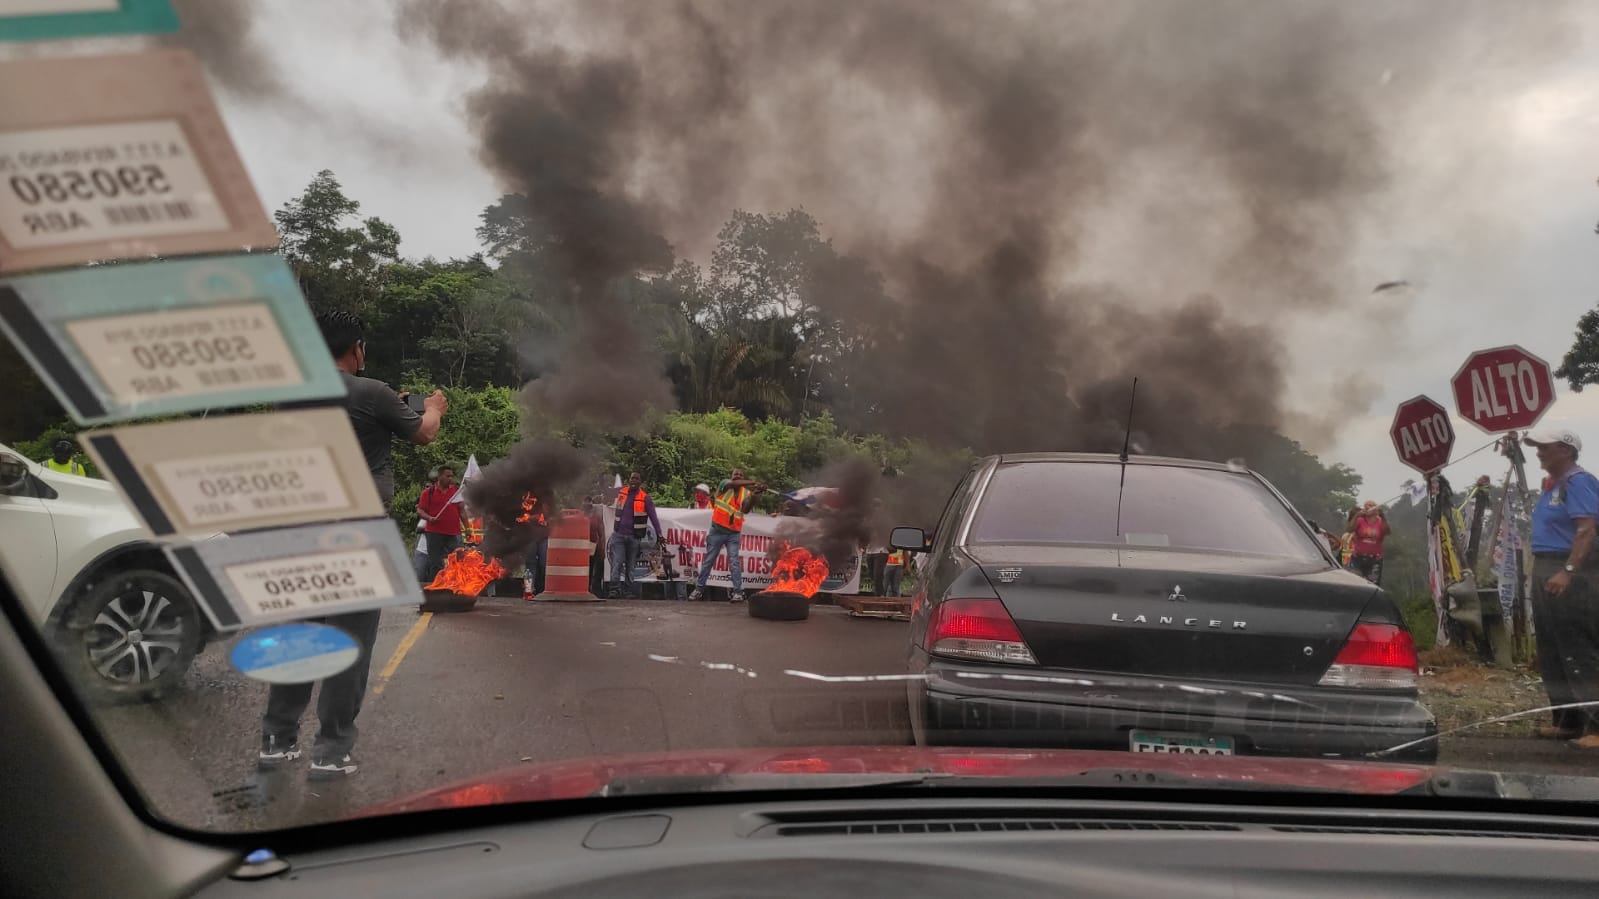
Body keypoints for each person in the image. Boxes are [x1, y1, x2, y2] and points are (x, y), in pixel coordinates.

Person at [259, 311, 446, 779]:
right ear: (355, 348)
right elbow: (422, 432)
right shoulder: (372, 391)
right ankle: (331, 750)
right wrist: (434, 407)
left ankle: (278, 741)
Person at [1524, 427, 1599, 747]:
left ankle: (1596, 726)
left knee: (1578, 648)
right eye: (1537, 446)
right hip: (1544, 568)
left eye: (1545, 447)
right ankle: (1567, 721)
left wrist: (1568, 571)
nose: (1539, 452)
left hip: (1571, 571)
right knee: (1553, 649)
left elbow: (1586, 531)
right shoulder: (1552, 486)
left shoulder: (1579, 482)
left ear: (1566, 451)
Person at [690, 468, 766, 603]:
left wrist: (755, 494)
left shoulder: (746, 493)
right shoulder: (724, 484)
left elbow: (746, 509)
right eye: (735, 474)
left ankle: (737, 592)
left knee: (734, 562)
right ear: (731, 477)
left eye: (740, 475)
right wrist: (754, 482)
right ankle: (699, 589)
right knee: (708, 561)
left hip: (733, 533)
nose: (738, 476)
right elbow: (734, 484)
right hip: (717, 531)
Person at [609, 472, 663, 598]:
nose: (633, 480)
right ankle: (614, 590)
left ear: (640, 482)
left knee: (631, 565)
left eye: (636, 479)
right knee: (617, 562)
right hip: (619, 535)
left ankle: (627, 591)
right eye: (631, 478)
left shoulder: (645, 498)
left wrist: (659, 534)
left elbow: (653, 517)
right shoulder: (621, 493)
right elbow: (609, 501)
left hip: (634, 537)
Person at [417, 465, 462, 581]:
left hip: (453, 533)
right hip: (434, 532)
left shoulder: (456, 492)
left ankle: (456, 585)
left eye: (451, 476)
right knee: (435, 562)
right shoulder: (428, 492)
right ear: (440, 476)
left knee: (458, 559)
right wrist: (429, 518)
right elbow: (420, 510)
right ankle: (436, 587)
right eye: (447, 476)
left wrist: (467, 529)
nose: (450, 479)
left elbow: (462, 511)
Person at [1346, 501, 1391, 584]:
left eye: (1370, 505)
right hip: (1357, 558)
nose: (1367, 507)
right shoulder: (1360, 520)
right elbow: (1349, 530)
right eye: (1365, 506)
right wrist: (1356, 516)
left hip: (1374, 560)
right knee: (1354, 582)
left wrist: (1383, 516)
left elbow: (1387, 532)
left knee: (1372, 584)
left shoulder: (1381, 521)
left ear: (1376, 509)